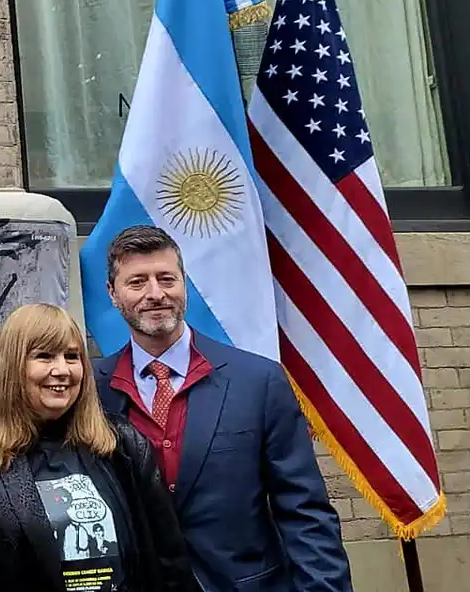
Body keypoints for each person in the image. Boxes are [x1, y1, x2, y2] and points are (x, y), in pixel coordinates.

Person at [94, 226, 352, 592]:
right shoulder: (91, 389)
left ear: (184, 283)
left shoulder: (258, 381)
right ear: (113, 293)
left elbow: (304, 511)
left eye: (166, 278)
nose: (155, 294)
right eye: (137, 282)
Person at [0, 303, 197, 592]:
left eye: (72, 356)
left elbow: (169, 559)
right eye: (44, 356)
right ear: (12, 367)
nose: (62, 370)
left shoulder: (121, 444)